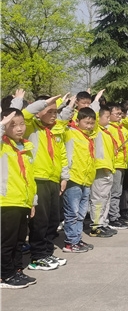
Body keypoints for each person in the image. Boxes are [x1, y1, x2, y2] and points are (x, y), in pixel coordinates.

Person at [21, 95, 69, 271]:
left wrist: (64, 177)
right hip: (38, 179)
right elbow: (25, 114)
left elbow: (62, 155)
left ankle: (47, 252)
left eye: (56, 111)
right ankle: (38, 256)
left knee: (52, 219)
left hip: (53, 179)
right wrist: (42, 103)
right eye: (49, 111)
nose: (54, 115)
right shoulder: (30, 127)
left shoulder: (56, 130)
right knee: (39, 221)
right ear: (38, 111)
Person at [0, 109, 38, 288]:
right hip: (7, 201)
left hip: (23, 201)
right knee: (7, 241)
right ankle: (5, 275)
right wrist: (2, 124)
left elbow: (30, 178)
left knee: (19, 240)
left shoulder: (26, 148)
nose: (19, 128)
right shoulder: (3, 146)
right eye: (13, 125)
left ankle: (16, 270)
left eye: (22, 124)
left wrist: (33, 202)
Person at [61, 106, 96, 253]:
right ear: (78, 121)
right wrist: (70, 107)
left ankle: (77, 239)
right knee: (72, 212)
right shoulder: (70, 133)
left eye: (92, 123)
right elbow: (61, 122)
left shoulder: (90, 136)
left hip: (86, 179)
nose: (89, 126)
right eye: (86, 122)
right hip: (74, 179)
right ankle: (70, 242)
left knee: (81, 213)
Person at [89, 106, 118, 238]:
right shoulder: (96, 130)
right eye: (106, 117)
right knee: (98, 198)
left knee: (106, 198)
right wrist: (96, 101)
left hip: (108, 168)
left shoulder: (106, 132)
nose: (108, 119)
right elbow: (95, 114)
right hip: (100, 168)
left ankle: (103, 223)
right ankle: (96, 226)